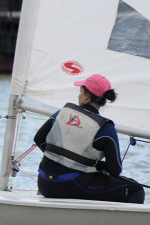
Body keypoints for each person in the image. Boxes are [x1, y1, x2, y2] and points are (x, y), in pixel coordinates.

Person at [34, 73, 144, 204]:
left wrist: (60, 159)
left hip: (44, 184)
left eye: (80, 92)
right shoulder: (105, 128)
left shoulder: (61, 113)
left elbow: (38, 139)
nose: (78, 95)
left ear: (87, 96)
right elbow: (115, 169)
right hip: (72, 185)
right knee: (136, 190)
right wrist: (94, 165)